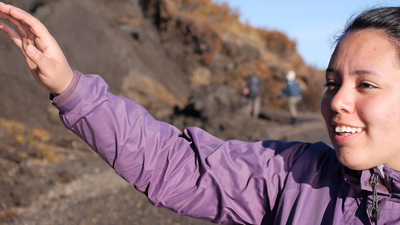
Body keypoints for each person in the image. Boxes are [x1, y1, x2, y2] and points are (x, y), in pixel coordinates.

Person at [1, 3, 400, 224]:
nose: (336, 102)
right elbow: (174, 163)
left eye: (365, 85)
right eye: (332, 83)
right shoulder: (294, 174)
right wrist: (69, 87)